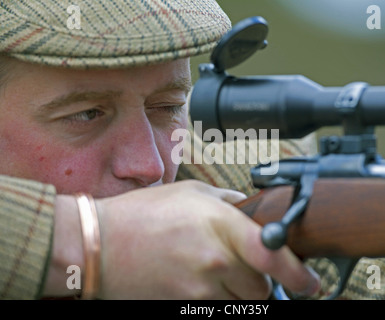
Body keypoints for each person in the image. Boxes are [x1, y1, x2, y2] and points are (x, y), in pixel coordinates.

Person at [0, 0, 320, 299]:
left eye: (167, 107)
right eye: (85, 114)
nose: (150, 166)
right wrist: (95, 242)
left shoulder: (256, 168)